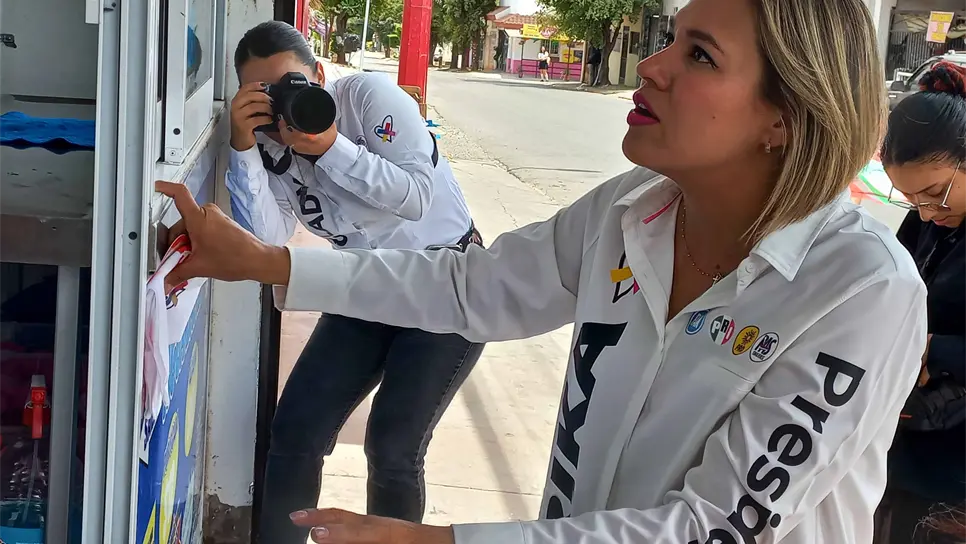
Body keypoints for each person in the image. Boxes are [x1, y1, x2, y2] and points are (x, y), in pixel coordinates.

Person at [156, 0, 927, 542]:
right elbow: (470, 286)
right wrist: (267, 261)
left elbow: (711, 527)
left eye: (699, 55)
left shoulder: (861, 290)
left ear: (783, 115)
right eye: (671, 37)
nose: (651, 65)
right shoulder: (633, 209)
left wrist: (443, 541)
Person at [225, 21, 486, 543]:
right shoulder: (270, 147)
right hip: (365, 286)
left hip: (446, 282)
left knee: (392, 448)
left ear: (320, 75)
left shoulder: (367, 97)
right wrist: (243, 147)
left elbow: (415, 197)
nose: (282, 105)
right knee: (295, 430)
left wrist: (330, 147)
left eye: (293, 85)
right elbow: (266, 236)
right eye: (265, 94)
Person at [876, 61, 966, 544]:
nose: (928, 213)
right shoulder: (927, 223)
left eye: (936, 192)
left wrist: (934, 349)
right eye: (911, 200)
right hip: (906, 452)